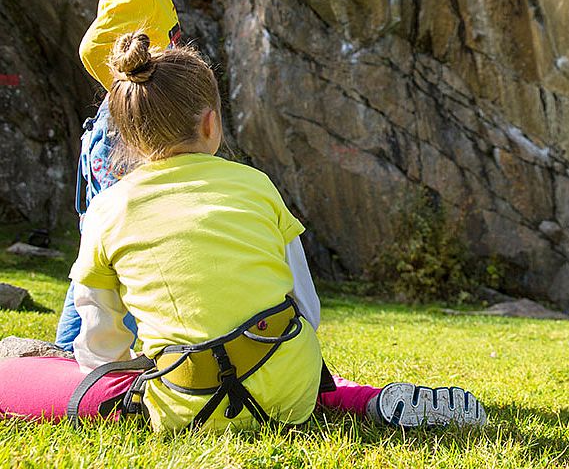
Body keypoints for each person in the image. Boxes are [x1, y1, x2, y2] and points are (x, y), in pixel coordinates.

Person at [0, 34, 487, 430]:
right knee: (285, 365)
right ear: (211, 123)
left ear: (128, 136)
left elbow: (100, 340)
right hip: (291, 393)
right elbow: (307, 310)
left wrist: (114, 371)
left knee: (25, 377)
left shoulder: (107, 208)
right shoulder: (257, 185)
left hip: (183, 402)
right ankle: (360, 399)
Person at [55, 0, 239, 351]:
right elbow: (92, 48)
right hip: (123, 136)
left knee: (112, 237)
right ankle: (76, 346)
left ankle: (84, 343)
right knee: (116, 239)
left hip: (132, 132)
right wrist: (130, 91)